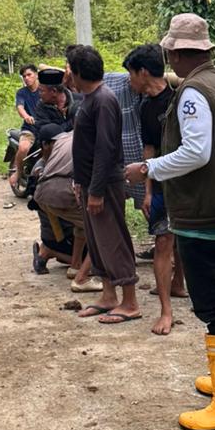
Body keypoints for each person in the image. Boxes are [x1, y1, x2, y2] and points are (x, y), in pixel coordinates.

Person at [125, 14, 215, 430]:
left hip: (204, 215)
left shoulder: (194, 92)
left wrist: (148, 168)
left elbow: (196, 152)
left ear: (175, 53)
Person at [69, 45, 140, 324]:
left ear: (78, 72)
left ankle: (130, 302)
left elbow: (105, 148)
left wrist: (97, 191)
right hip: (90, 183)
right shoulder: (90, 98)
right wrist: (81, 182)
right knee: (98, 242)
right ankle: (109, 295)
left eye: (70, 70)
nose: (68, 75)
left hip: (105, 184)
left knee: (113, 240)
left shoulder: (104, 100)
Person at [123, 44, 186, 336]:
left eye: (131, 74)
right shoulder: (146, 107)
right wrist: (148, 191)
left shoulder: (180, 99)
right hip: (161, 185)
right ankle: (166, 311)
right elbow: (148, 149)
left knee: (181, 239)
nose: (129, 81)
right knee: (163, 242)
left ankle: (178, 283)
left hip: (185, 185)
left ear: (143, 72)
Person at [30, 123, 99, 291]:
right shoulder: (89, 136)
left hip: (47, 197)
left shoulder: (66, 139)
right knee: (100, 229)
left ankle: (75, 266)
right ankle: (81, 278)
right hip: (60, 200)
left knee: (83, 224)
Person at [9, 64, 41, 190]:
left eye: (29, 75)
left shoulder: (45, 89)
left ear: (36, 74)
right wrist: (26, 116)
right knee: (23, 148)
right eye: (24, 76)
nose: (26, 78)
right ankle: (18, 171)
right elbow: (20, 107)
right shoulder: (21, 93)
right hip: (30, 128)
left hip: (45, 127)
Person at [31, 66, 79, 143]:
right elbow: (46, 133)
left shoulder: (79, 100)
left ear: (54, 91)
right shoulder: (41, 106)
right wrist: (72, 123)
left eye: (41, 91)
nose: (39, 94)